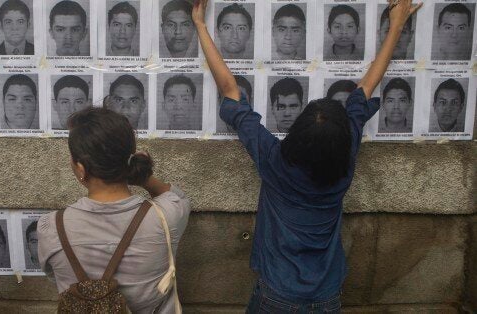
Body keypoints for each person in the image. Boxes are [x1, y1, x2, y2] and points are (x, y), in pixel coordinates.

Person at [192, 0, 421, 311]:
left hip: (276, 295)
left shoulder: (274, 161)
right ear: (342, 139)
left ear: (297, 132)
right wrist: (396, 25)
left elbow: (230, 89)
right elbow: (367, 86)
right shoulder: (344, 162)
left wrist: (201, 24)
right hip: (327, 297)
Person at [37, 107, 189, 312]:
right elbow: (177, 196)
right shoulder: (167, 216)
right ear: (130, 159)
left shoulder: (51, 227)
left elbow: (53, 276)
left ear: (80, 168)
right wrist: (142, 176)